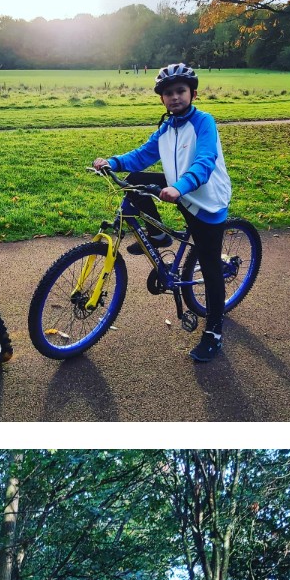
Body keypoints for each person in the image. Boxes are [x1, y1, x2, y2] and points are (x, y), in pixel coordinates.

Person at [92, 63, 233, 362]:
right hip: (178, 190)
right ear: (162, 99)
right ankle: (157, 235)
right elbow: (143, 155)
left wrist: (179, 188)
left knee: (209, 266)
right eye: (168, 93)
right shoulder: (167, 128)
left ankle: (214, 331)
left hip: (207, 200)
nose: (175, 97)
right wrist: (113, 162)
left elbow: (206, 160)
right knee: (135, 181)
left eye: (181, 91)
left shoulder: (204, 122)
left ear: (193, 93)